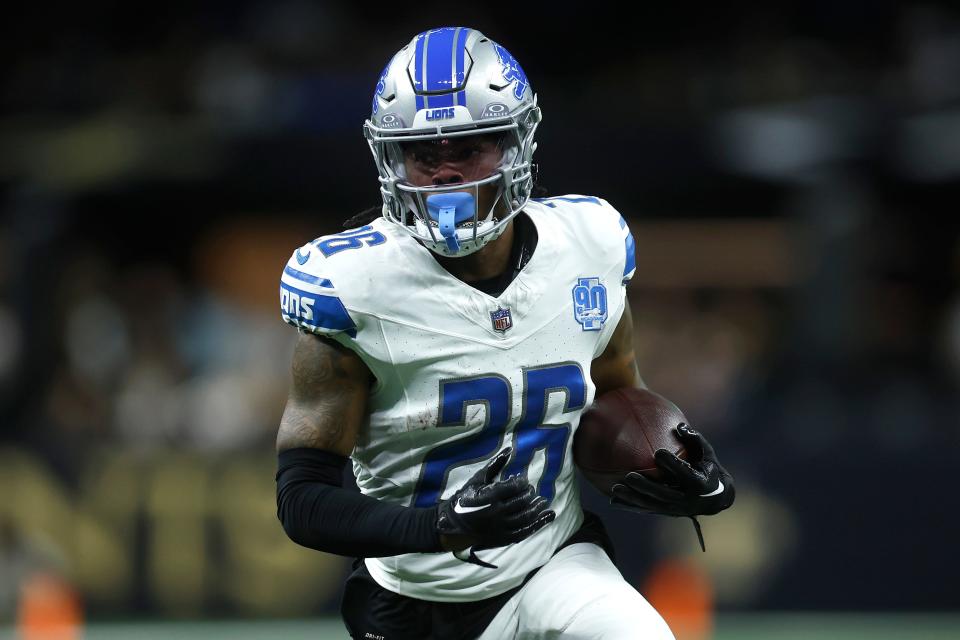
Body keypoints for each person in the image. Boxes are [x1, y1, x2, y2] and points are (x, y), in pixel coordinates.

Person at [275, 27, 735, 639]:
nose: (443, 174)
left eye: (466, 148)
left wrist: (675, 470)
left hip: (555, 564)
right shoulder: (355, 285)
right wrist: (440, 525)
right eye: (423, 154)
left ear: (516, 143)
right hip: (418, 600)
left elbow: (617, 408)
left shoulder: (588, 246)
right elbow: (302, 500)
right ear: (390, 158)